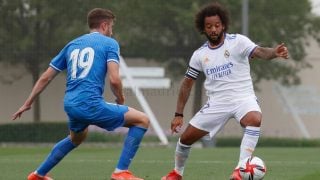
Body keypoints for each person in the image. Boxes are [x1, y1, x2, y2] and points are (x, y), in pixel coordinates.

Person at [12, 8, 149, 180]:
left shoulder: (72, 44)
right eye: (112, 27)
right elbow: (114, 79)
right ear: (105, 25)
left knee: (76, 138)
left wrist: (27, 103)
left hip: (70, 104)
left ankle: (38, 174)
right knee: (142, 120)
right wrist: (120, 98)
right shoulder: (109, 43)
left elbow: (45, 77)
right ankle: (121, 172)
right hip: (89, 104)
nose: (112, 31)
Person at [161, 2, 288, 180]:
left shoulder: (238, 42)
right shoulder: (199, 55)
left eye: (217, 25)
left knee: (254, 119)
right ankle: (176, 173)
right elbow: (187, 84)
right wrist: (178, 114)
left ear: (223, 25)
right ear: (203, 29)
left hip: (243, 98)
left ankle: (240, 169)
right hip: (217, 103)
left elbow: (260, 52)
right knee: (185, 139)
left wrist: (274, 52)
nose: (213, 29)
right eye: (209, 26)